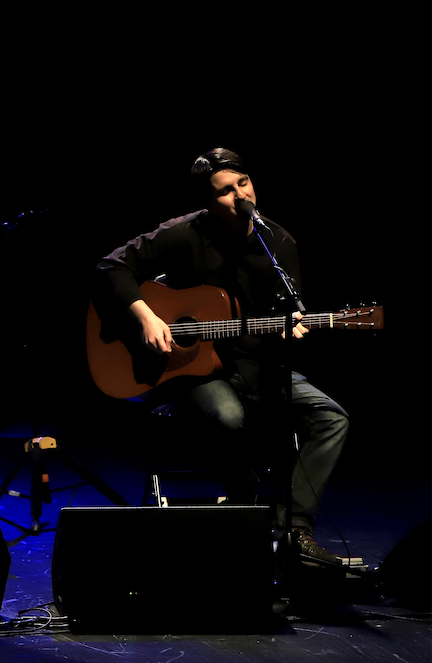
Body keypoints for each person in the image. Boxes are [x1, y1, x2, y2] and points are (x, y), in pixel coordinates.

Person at [93, 148, 348, 568]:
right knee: (230, 418)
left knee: (332, 418)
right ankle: (242, 513)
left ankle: (294, 529)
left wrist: (289, 328)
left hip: (258, 364)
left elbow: (287, 314)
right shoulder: (183, 234)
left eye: (243, 184)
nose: (239, 196)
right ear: (208, 203)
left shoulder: (279, 244)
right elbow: (110, 267)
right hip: (192, 371)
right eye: (225, 192)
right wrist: (146, 316)